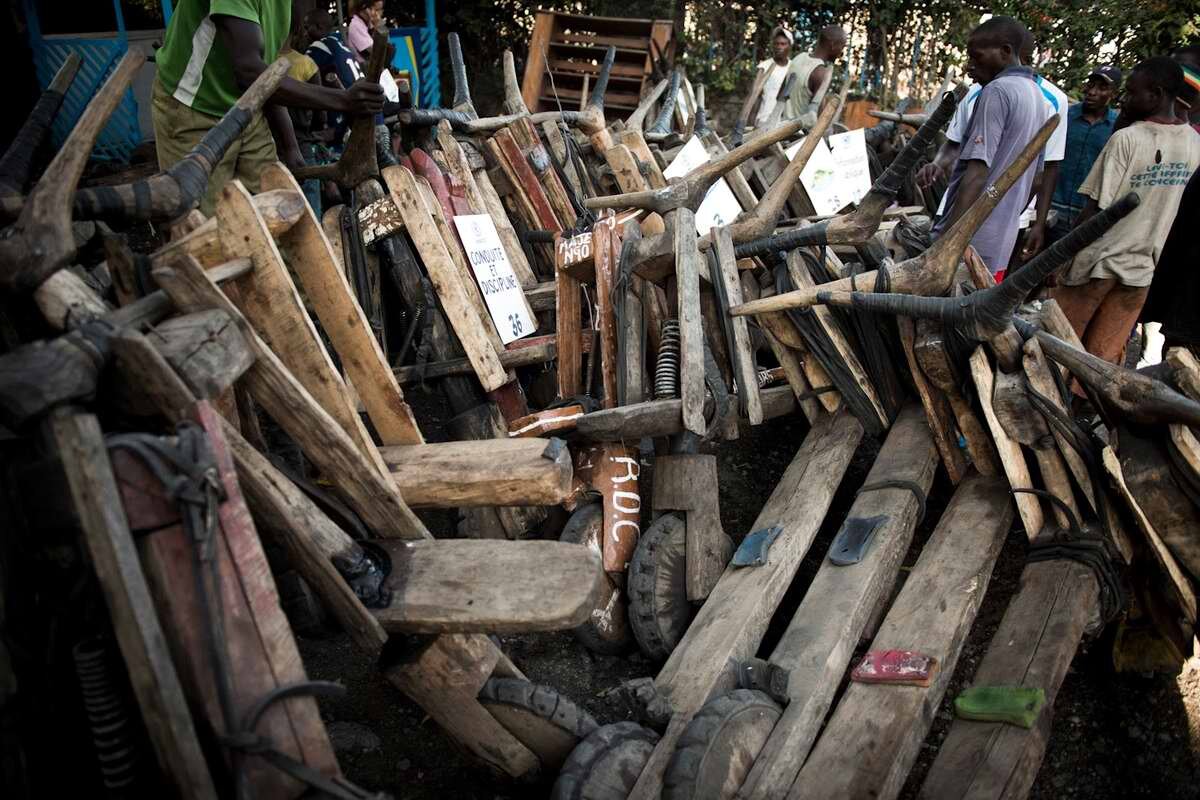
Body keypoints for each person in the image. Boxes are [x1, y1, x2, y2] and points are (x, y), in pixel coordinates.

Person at [152, 0, 384, 215]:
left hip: (248, 108)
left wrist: (290, 146)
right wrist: (344, 100)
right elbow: (250, 71)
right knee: (209, 230)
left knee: (280, 215)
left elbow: (268, 74)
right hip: (193, 108)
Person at [1053, 57, 1200, 369]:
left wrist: (1060, 257)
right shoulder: (1194, 143)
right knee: (1102, 362)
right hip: (1142, 271)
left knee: (1058, 349)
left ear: (1157, 94)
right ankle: (1078, 416)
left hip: (1096, 265)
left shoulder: (1127, 138)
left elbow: (1094, 212)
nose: (1125, 100)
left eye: (1132, 93)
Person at [919, 17, 1047, 279]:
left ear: (1006, 52)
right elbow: (1037, 179)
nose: (969, 67)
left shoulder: (997, 92)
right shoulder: (1037, 96)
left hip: (969, 241)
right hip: (1001, 242)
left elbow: (977, 172)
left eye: (977, 57)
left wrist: (948, 241)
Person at [1048, 66, 1121, 243]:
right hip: (1052, 210)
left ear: (1113, 93)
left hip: (1086, 215)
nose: (1093, 92)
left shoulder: (1117, 127)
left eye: (1102, 88)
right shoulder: (1064, 117)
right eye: (1091, 85)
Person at [783, 24, 846, 128]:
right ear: (833, 45)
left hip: (782, 125)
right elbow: (818, 117)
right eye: (842, 46)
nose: (841, 52)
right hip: (798, 135)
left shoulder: (799, 58)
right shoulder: (820, 72)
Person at [749, 26, 794, 128]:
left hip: (785, 122)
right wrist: (752, 120)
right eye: (776, 44)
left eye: (783, 44)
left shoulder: (794, 67)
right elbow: (755, 95)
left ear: (789, 46)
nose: (779, 47)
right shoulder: (764, 67)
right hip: (764, 119)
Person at [348, 0, 384, 64]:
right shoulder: (356, 25)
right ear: (366, 9)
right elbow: (378, 52)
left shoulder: (367, 23)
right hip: (363, 70)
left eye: (380, 10)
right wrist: (378, 26)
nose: (378, 14)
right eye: (376, 10)